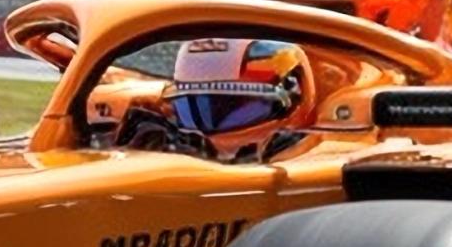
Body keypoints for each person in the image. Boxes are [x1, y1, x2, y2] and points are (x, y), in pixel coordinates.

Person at [114, 35, 317, 161]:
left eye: (236, 110)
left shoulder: (327, 152)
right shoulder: (161, 139)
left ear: (293, 97)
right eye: (191, 110)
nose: (208, 132)